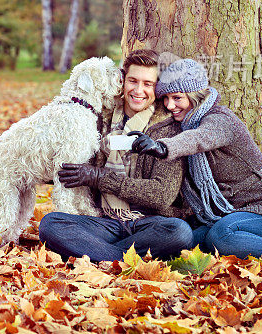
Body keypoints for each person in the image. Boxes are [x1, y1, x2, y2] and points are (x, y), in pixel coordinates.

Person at [128, 58, 262, 268]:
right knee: (185, 245)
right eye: (167, 99)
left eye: (178, 98)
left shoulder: (221, 120)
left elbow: (200, 138)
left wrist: (162, 147)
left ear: (195, 96)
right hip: (224, 217)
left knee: (220, 236)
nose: (170, 105)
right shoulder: (181, 125)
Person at [38, 49, 193, 263]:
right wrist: (7, 157)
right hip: (104, 222)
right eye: (133, 81)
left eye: (148, 84)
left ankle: (99, 254)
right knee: (51, 224)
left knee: (180, 232)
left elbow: (162, 195)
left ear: (158, 87)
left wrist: (99, 177)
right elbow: (68, 169)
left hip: (149, 224)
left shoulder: (168, 129)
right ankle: (120, 259)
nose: (139, 90)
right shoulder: (98, 119)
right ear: (122, 81)